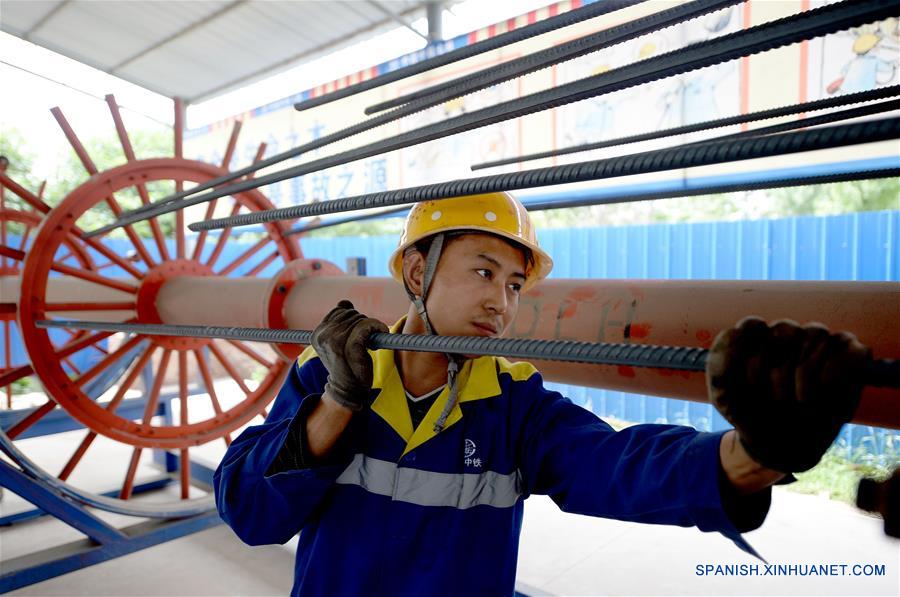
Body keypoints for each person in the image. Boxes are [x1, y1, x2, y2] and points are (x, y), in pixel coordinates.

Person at [214, 192, 870, 596]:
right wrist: (338, 402)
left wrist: (751, 455)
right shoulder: (323, 377)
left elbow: (613, 465)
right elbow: (251, 514)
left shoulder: (514, 403)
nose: (500, 302)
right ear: (418, 270)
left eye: (514, 285)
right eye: (482, 272)